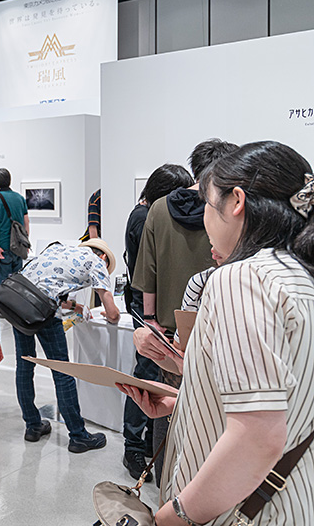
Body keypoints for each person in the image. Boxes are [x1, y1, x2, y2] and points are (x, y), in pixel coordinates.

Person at [119, 141, 314, 526]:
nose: (205, 216)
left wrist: (172, 517)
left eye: (208, 203)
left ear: (236, 201)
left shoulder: (243, 277)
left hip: (241, 511)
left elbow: (257, 437)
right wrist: (186, 402)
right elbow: (289, 402)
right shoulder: (299, 275)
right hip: (294, 499)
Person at [131, 139, 237, 483]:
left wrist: (149, 320)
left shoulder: (159, 208)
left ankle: (166, 482)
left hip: (167, 334)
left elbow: (146, 271)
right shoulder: (229, 213)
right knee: (211, 424)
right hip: (218, 333)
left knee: (169, 414)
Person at [12, 238, 120, 452]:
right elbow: (114, 313)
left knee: (24, 365)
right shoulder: (97, 262)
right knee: (62, 371)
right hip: (42, 310)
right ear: (104, 257)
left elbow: (49, 285)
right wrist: (110, 315)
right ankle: (78, 435)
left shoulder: (59, 250)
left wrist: (75, 306)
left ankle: (32, 426)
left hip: (16, 300)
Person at [121, 164, 193, 479]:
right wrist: (150, 318)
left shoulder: (147, 215)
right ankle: (133, 447)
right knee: (146, 376)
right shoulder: (144, 218)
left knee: (155, 376)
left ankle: (148, 443)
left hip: (152, 308)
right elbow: (146, 273)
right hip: (145, 308)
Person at [0, 168, 29, 284]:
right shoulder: (20, 198)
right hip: (18, 247)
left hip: (3, 247)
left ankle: (6, 303)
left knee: (4, 284)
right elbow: (26, 222)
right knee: (18, 283)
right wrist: (25, 242)